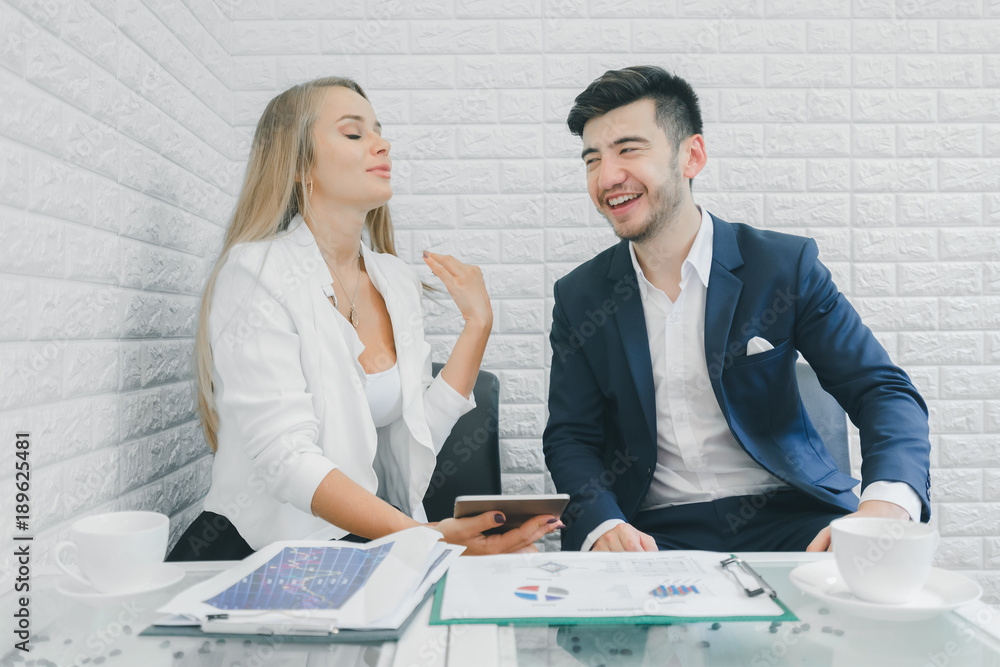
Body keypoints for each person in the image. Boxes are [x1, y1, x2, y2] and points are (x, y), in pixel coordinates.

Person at [170, 76, 562, 560]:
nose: (382, 144)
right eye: (354, 133)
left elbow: (412, 438)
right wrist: (426, 538)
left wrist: (477, 326)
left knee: (518, 563)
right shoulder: (255, 272)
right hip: (258, 551)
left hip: (354, 543)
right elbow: (286, 460)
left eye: (378, 131)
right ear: (299, 164)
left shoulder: (394, 279)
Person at [543, 66, 931, 553]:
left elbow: (881, 390)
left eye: (628, 150)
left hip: (791, 518)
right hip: (652, 532)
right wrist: (602, 525)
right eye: (592, 159)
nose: (607, 177)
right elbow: (571, 437)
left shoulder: (784, 266)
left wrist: (884, 507)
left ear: (692, 156)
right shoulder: (580, 297)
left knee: (869, 588)